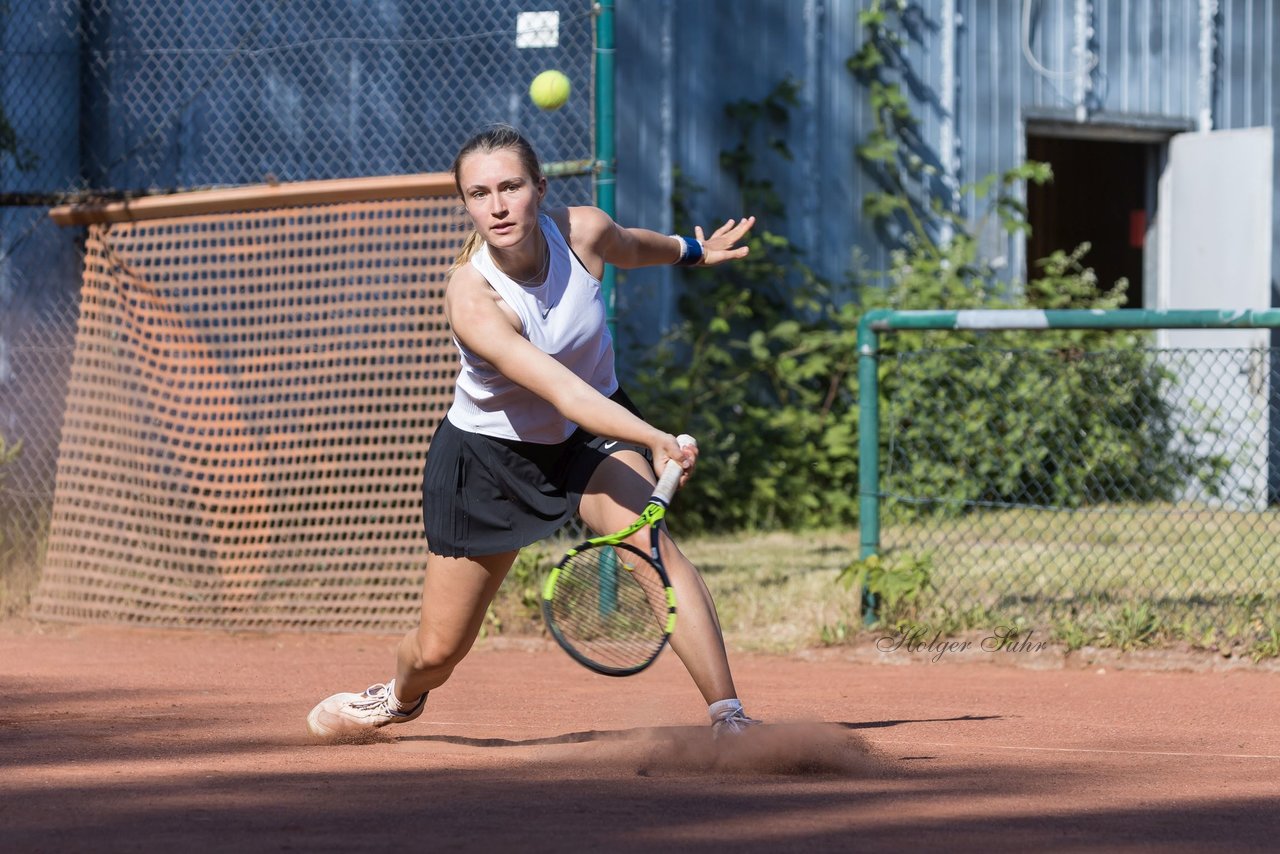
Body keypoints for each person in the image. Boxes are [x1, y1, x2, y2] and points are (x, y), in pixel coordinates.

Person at [306, 124, 760, 740]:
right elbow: (559, 389)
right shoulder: (472, 297)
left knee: (650, 552)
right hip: (490, 459)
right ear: (464, 202)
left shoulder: (582, 232)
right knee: (438, 653)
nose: (496, 206)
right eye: (478, 193)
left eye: (511, 186)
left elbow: (629, 245)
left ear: (540, 188)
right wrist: (655, 437)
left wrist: (691, 250)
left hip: (589, 433)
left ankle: (728, 717)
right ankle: (397, 696)